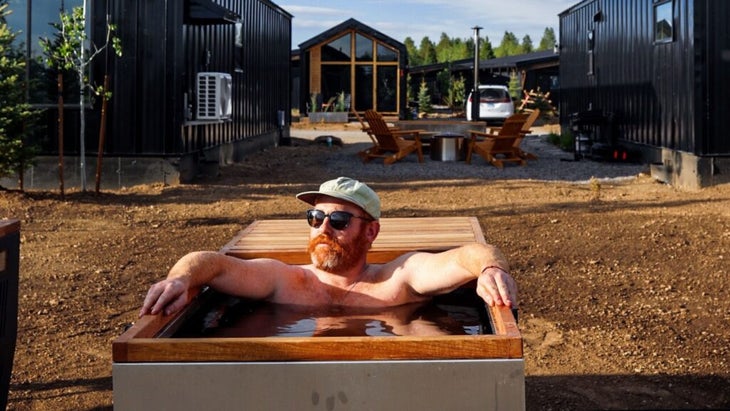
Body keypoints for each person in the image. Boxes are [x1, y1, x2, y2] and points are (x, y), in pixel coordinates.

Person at [140, 176, 517, 318]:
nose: (323, 228)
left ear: (370, 233)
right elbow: (213, 264)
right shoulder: (284, 280)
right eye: (315, 218)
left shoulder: (397, 279)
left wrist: (489, 269)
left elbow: (469, 254)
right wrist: (180, 279)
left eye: (338, 221)